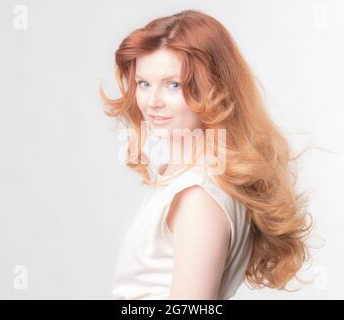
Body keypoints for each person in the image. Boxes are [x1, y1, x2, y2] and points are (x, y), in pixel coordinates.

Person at [99, 9, 314, 300]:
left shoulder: (197, 196)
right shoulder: (187, 177)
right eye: (143, 83)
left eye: (173, 85)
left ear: (214, 88)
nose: (152, 102)